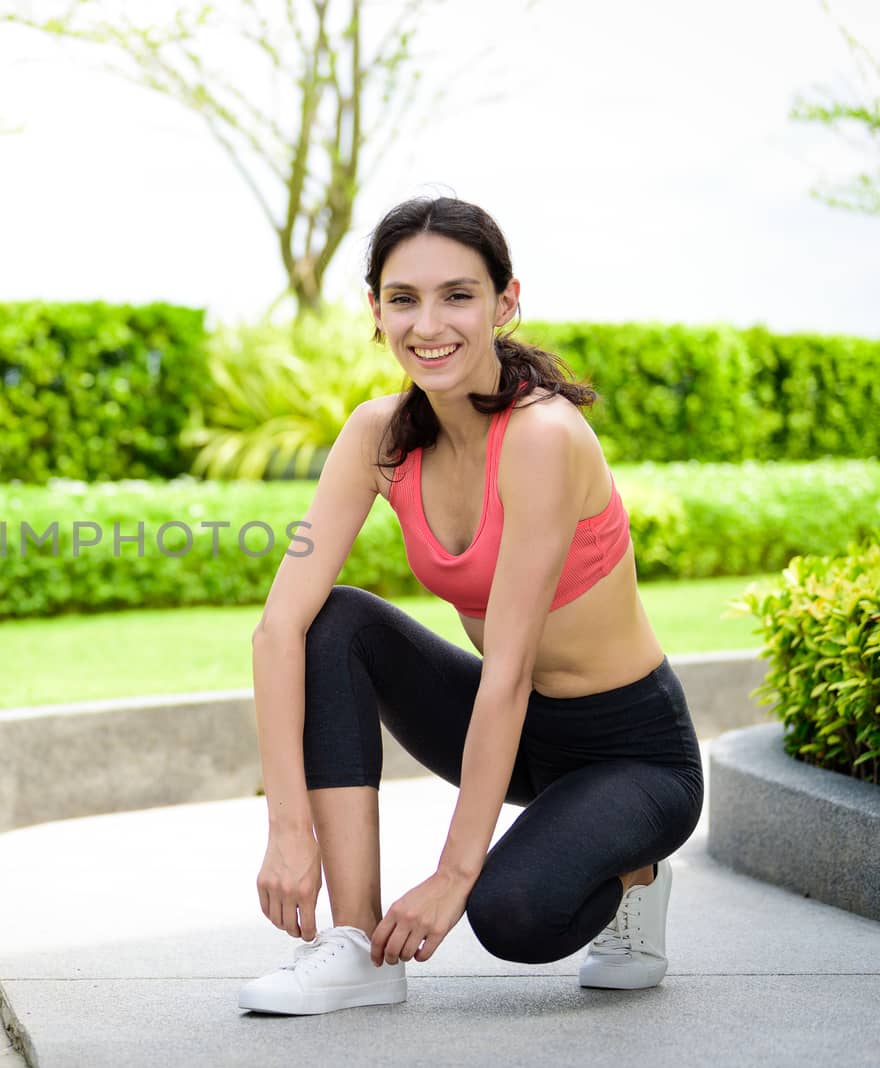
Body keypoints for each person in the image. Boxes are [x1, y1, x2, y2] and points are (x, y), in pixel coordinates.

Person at [237, 196, 704, 1016]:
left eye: (458, 295)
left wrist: (456, 876)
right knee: (335, 622)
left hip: (631, 751)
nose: (429, 324)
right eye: (402, 298)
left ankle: (634, 869)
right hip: (524, 737)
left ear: (505, 302)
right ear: (376, 313)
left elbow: (511, 672)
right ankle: (357, 949)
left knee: (510, 914)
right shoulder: (376, 436)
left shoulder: (542, 436)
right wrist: (286, 831)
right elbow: (278, 628)